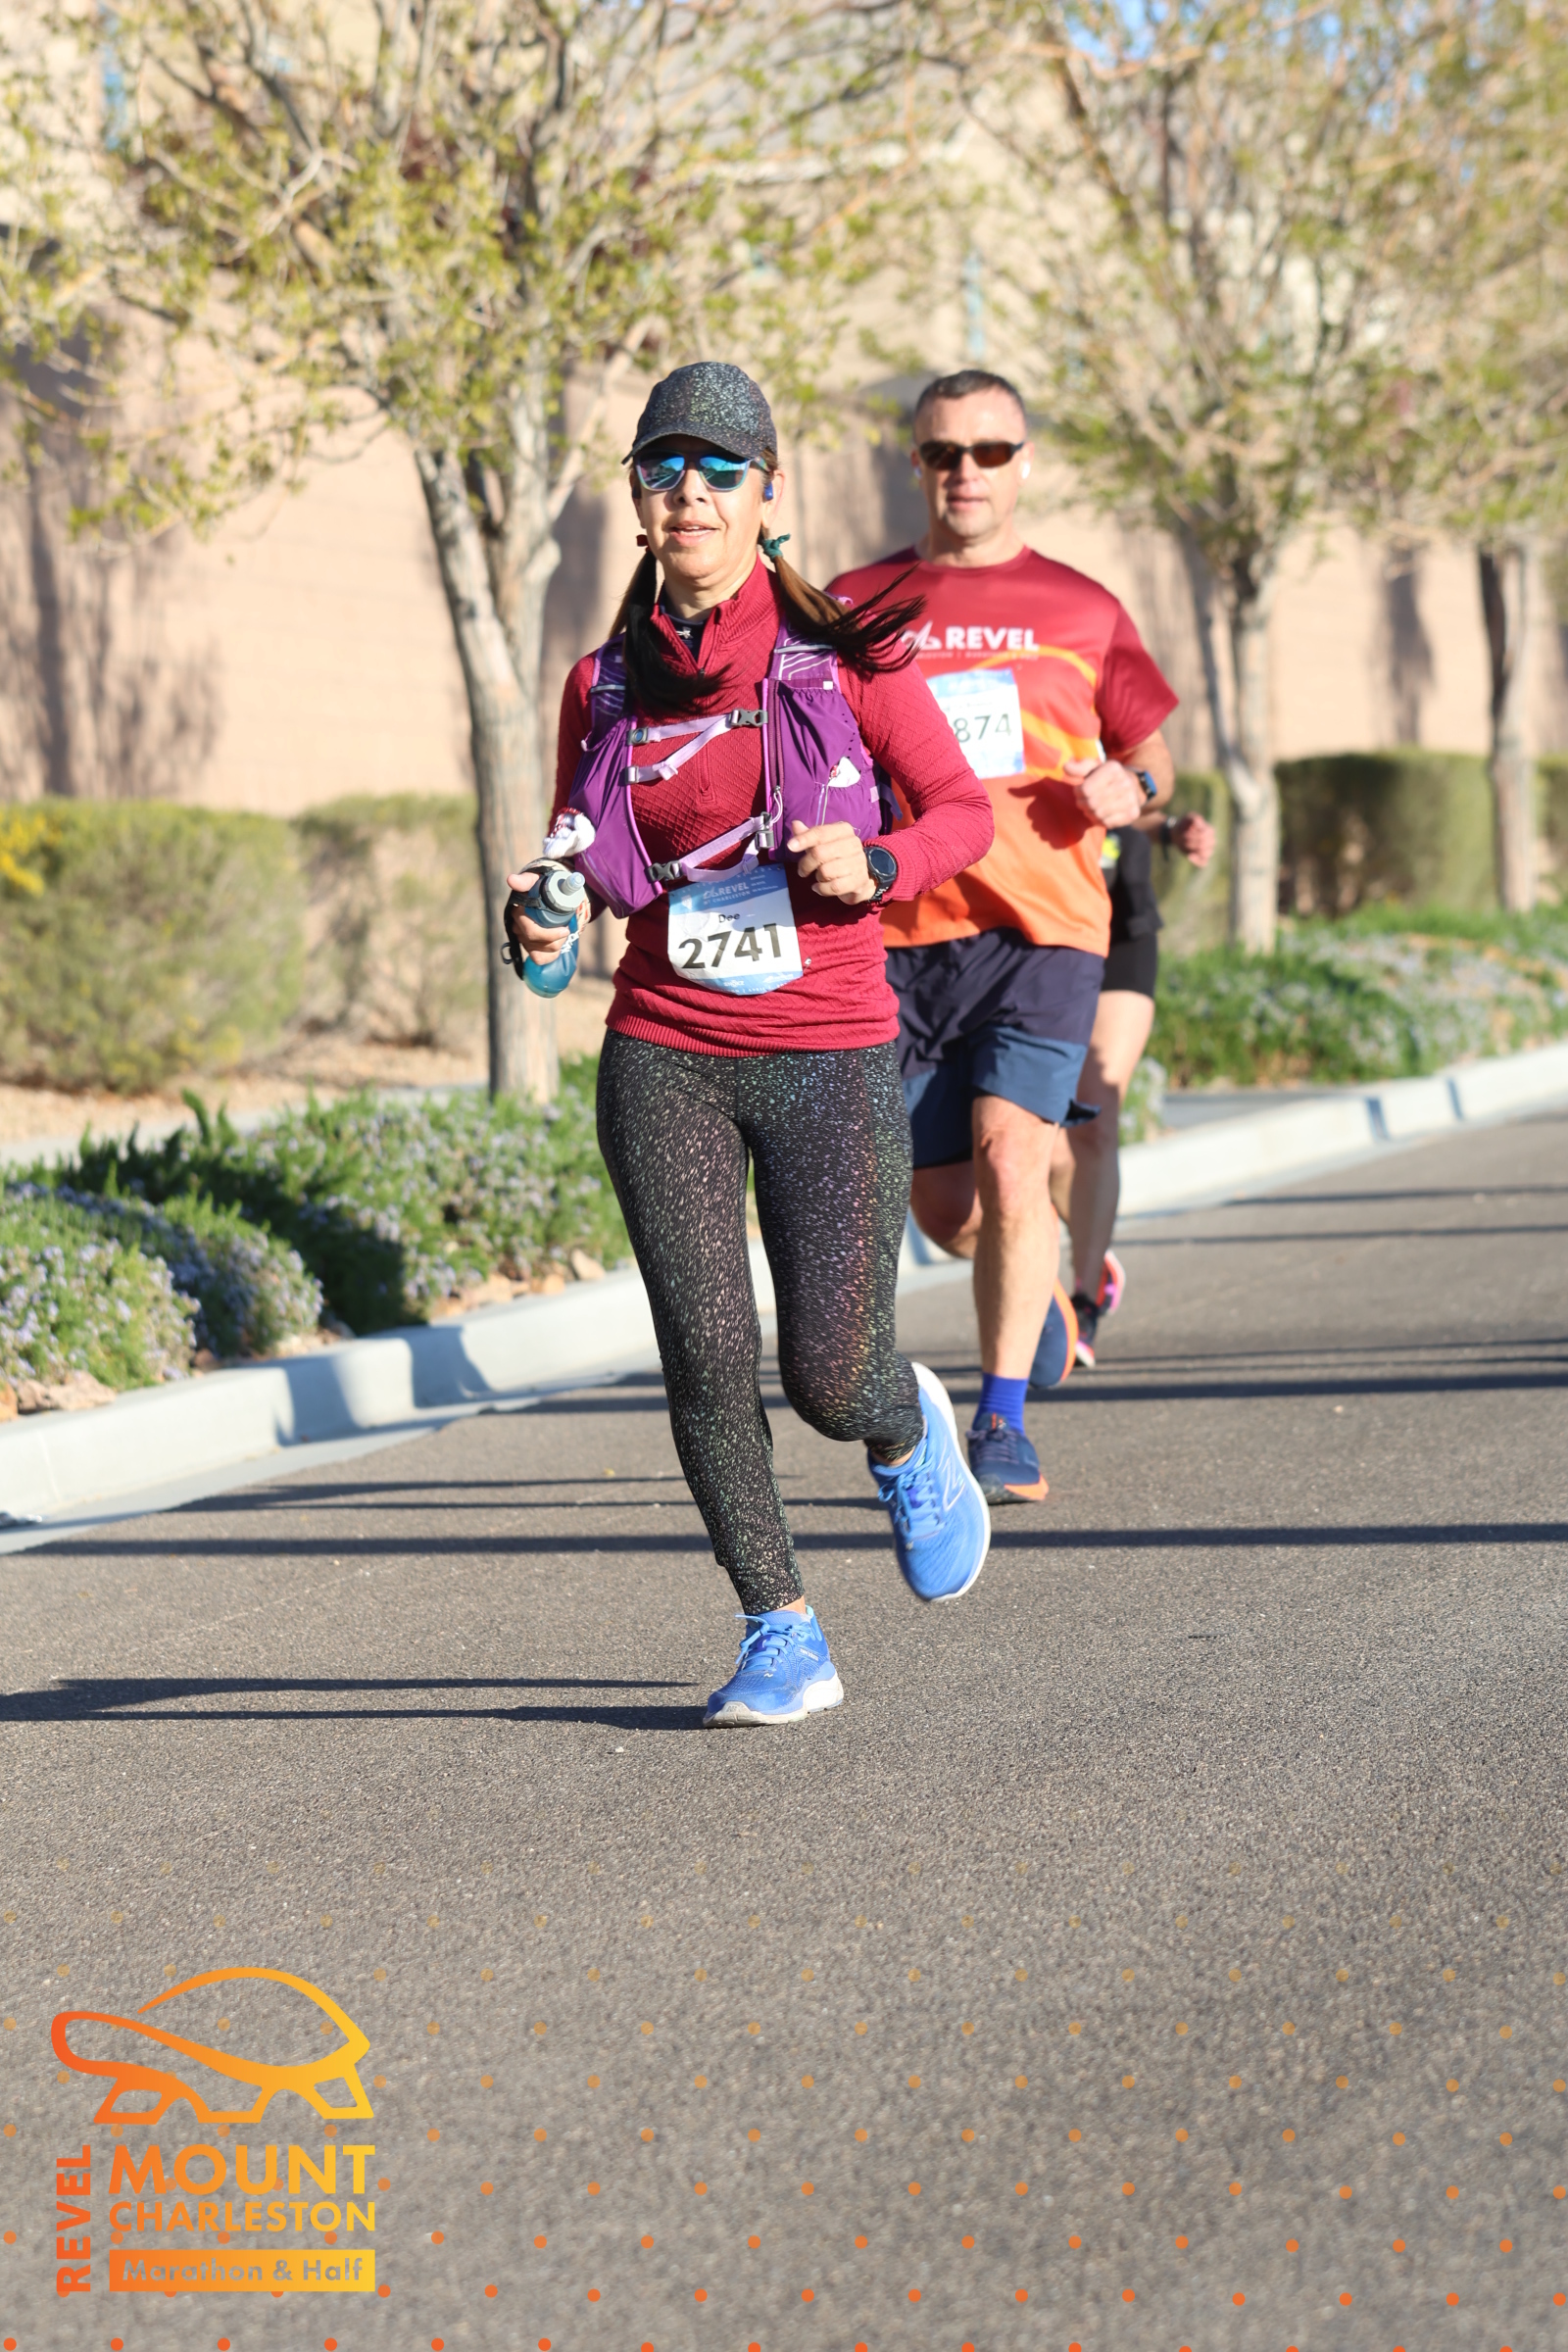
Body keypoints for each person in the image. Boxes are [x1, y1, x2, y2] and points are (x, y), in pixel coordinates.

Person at [506, 362, 996, 1728]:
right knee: (706, 1356)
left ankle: (903, 1426)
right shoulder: (604, 684)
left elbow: (962, 814)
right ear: (639, 502)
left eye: (720, 470)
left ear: (767, 495)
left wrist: (878, 862)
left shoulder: (849, 659)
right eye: (664, 470)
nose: (691, 493)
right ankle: (779, 1626)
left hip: (829, 1049)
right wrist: (539, 916)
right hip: (664, 1047)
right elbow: (574, 866)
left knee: (828, 1375)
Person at [830, 368, 1179, 1506]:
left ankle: (1001, 1420)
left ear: (1024, 462)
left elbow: (1151, 757)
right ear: (916, 464)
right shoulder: (854, 602)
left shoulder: (1083, 607)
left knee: (1014, 1153)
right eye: (943, 452)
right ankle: (1030, 1302)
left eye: (988, 451)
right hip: (898, 931)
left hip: (1044, 929)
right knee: (946, 1213)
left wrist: (1130, 789)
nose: (965, 472)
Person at [1047, 808, 1215, 1368]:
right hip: (1035, 924)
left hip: (1119, 926)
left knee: (1095, 1116)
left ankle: (1085, 1297)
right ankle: (1076, 1247)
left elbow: (1127, 780)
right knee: (1039, 1138)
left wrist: (1165, 827)